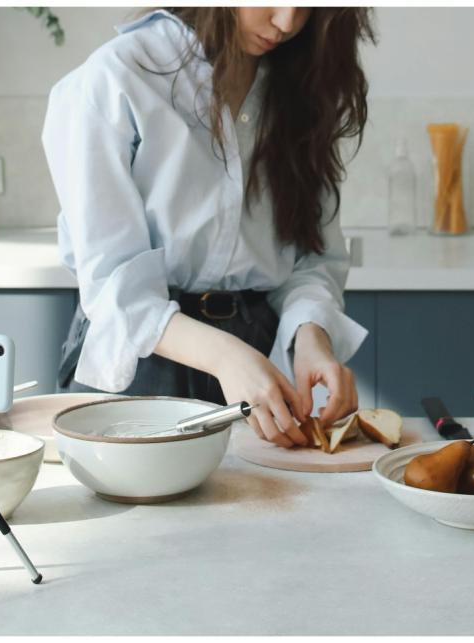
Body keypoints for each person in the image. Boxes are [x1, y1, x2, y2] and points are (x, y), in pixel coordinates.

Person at [42, 7, 376, 448]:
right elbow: (114, 290)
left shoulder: (300, 84)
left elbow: (311, 259)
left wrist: (310, 336)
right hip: (143, 360)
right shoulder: (117, 77)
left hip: (257, 353)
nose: (288, 21)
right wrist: (227, 357)